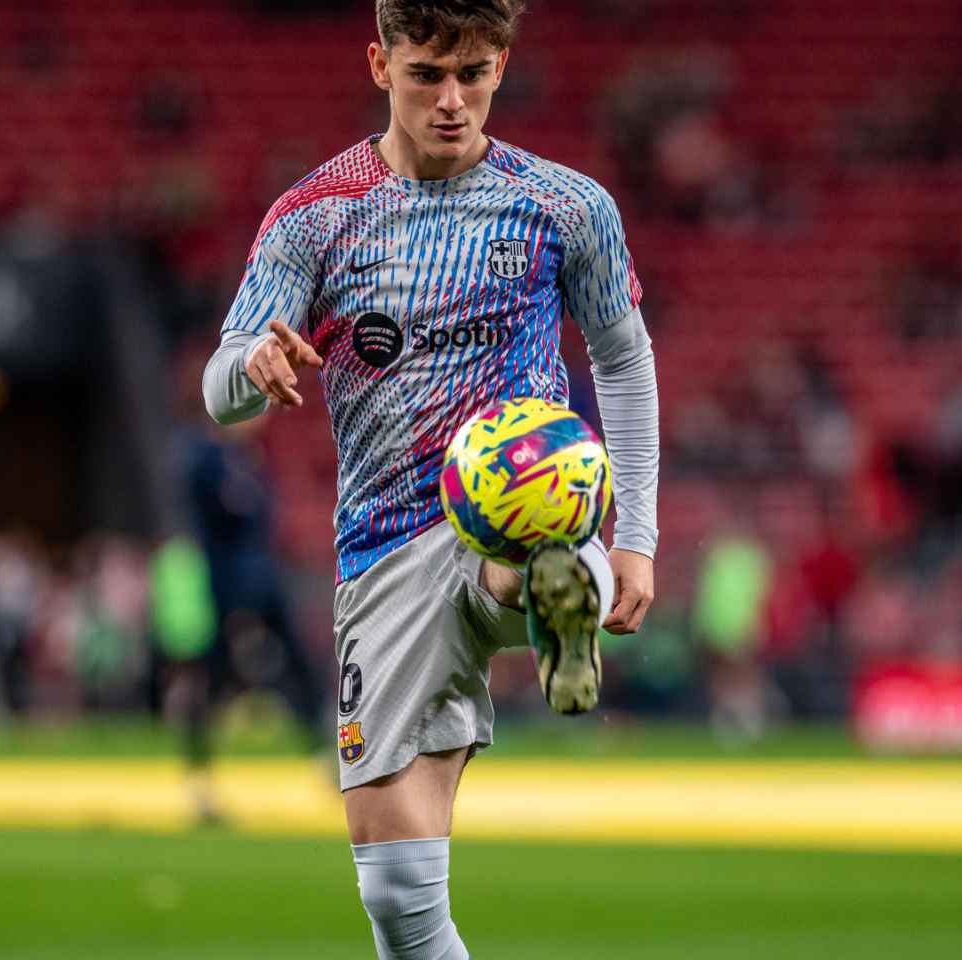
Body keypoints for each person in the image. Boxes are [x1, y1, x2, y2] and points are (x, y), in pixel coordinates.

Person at [200, 2, 659, 956]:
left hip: (524, 496)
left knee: (521, 518)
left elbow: (622, 361)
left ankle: (547, 586)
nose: (453, 101)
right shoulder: (316, 216)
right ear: (379, 64)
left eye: (476, 74)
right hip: (383, 553)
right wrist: (253, 369)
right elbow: (218, 388)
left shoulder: (565, 206)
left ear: (503, 66)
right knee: (400, 902)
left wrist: (638, 536)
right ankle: (550, 594)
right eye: (426, 75)